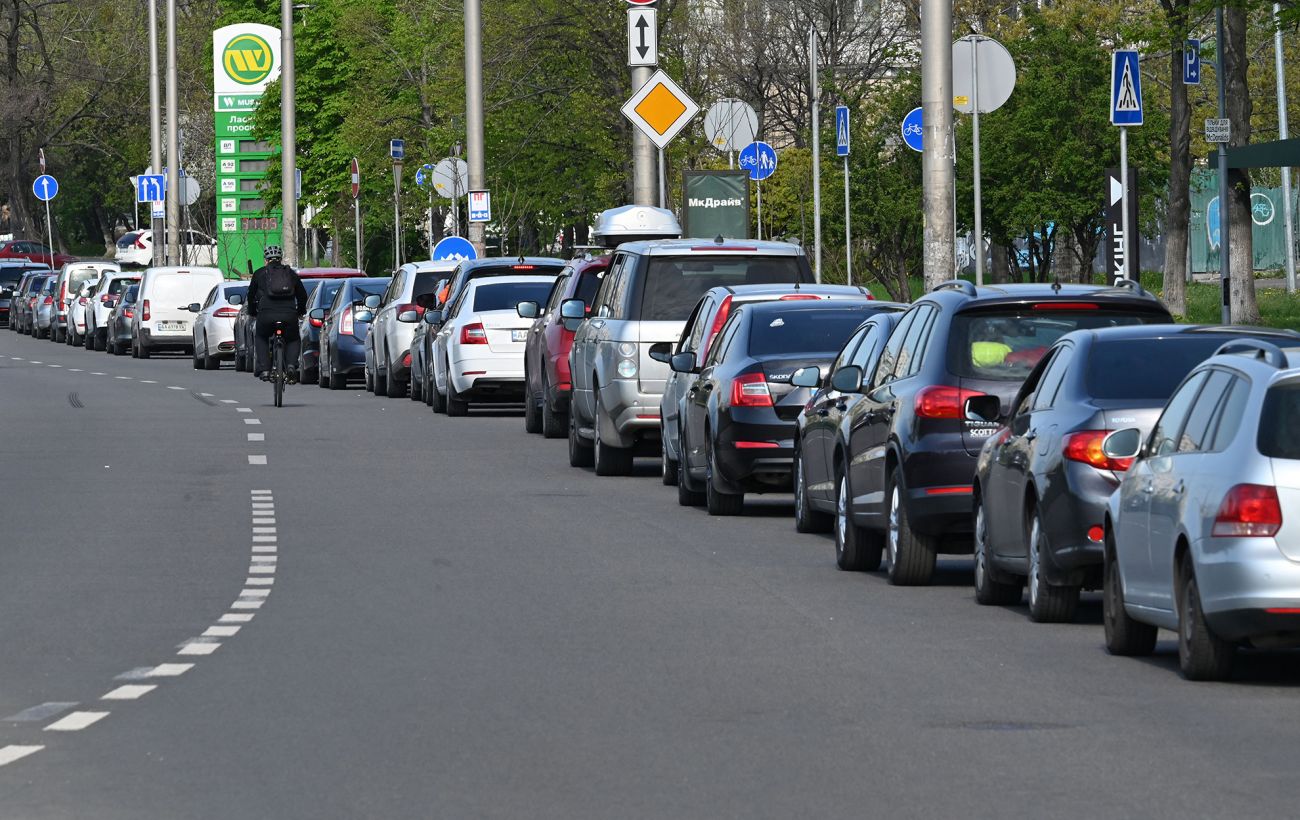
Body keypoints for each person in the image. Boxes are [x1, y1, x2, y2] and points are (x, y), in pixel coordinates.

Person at [248, 245, 308, 382]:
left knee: (261, 337)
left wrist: (252, 312)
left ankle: (264, 369)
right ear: (281, 259)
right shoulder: (291, 274)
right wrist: (300, 311)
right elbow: (302, 296)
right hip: (289, 314)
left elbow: (250, 296)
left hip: (266, 314)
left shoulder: (259, 274)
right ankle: (292, 365)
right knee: (293, 338)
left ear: (266, 260)